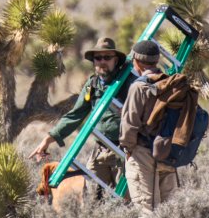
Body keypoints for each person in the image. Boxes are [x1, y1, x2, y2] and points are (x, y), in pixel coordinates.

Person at [31, 36, 134, 191]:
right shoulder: (92, 84)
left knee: (125, 198)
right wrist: (48, 139)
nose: (102, 61)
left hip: (124, 151)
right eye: (98, 58)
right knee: (91, 195)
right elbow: (75, 115)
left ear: (116, 61)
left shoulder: (128, 82)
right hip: (101, 149)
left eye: (107, 57)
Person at [119, 38, 183, 211]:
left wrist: (128, 149)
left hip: (143, 153)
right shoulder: (170, 83)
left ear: (137, 62)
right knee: (169, 210)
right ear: (156, 61)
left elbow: (130, 123)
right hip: (168, 152)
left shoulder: (138, 87)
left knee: (145, 208)